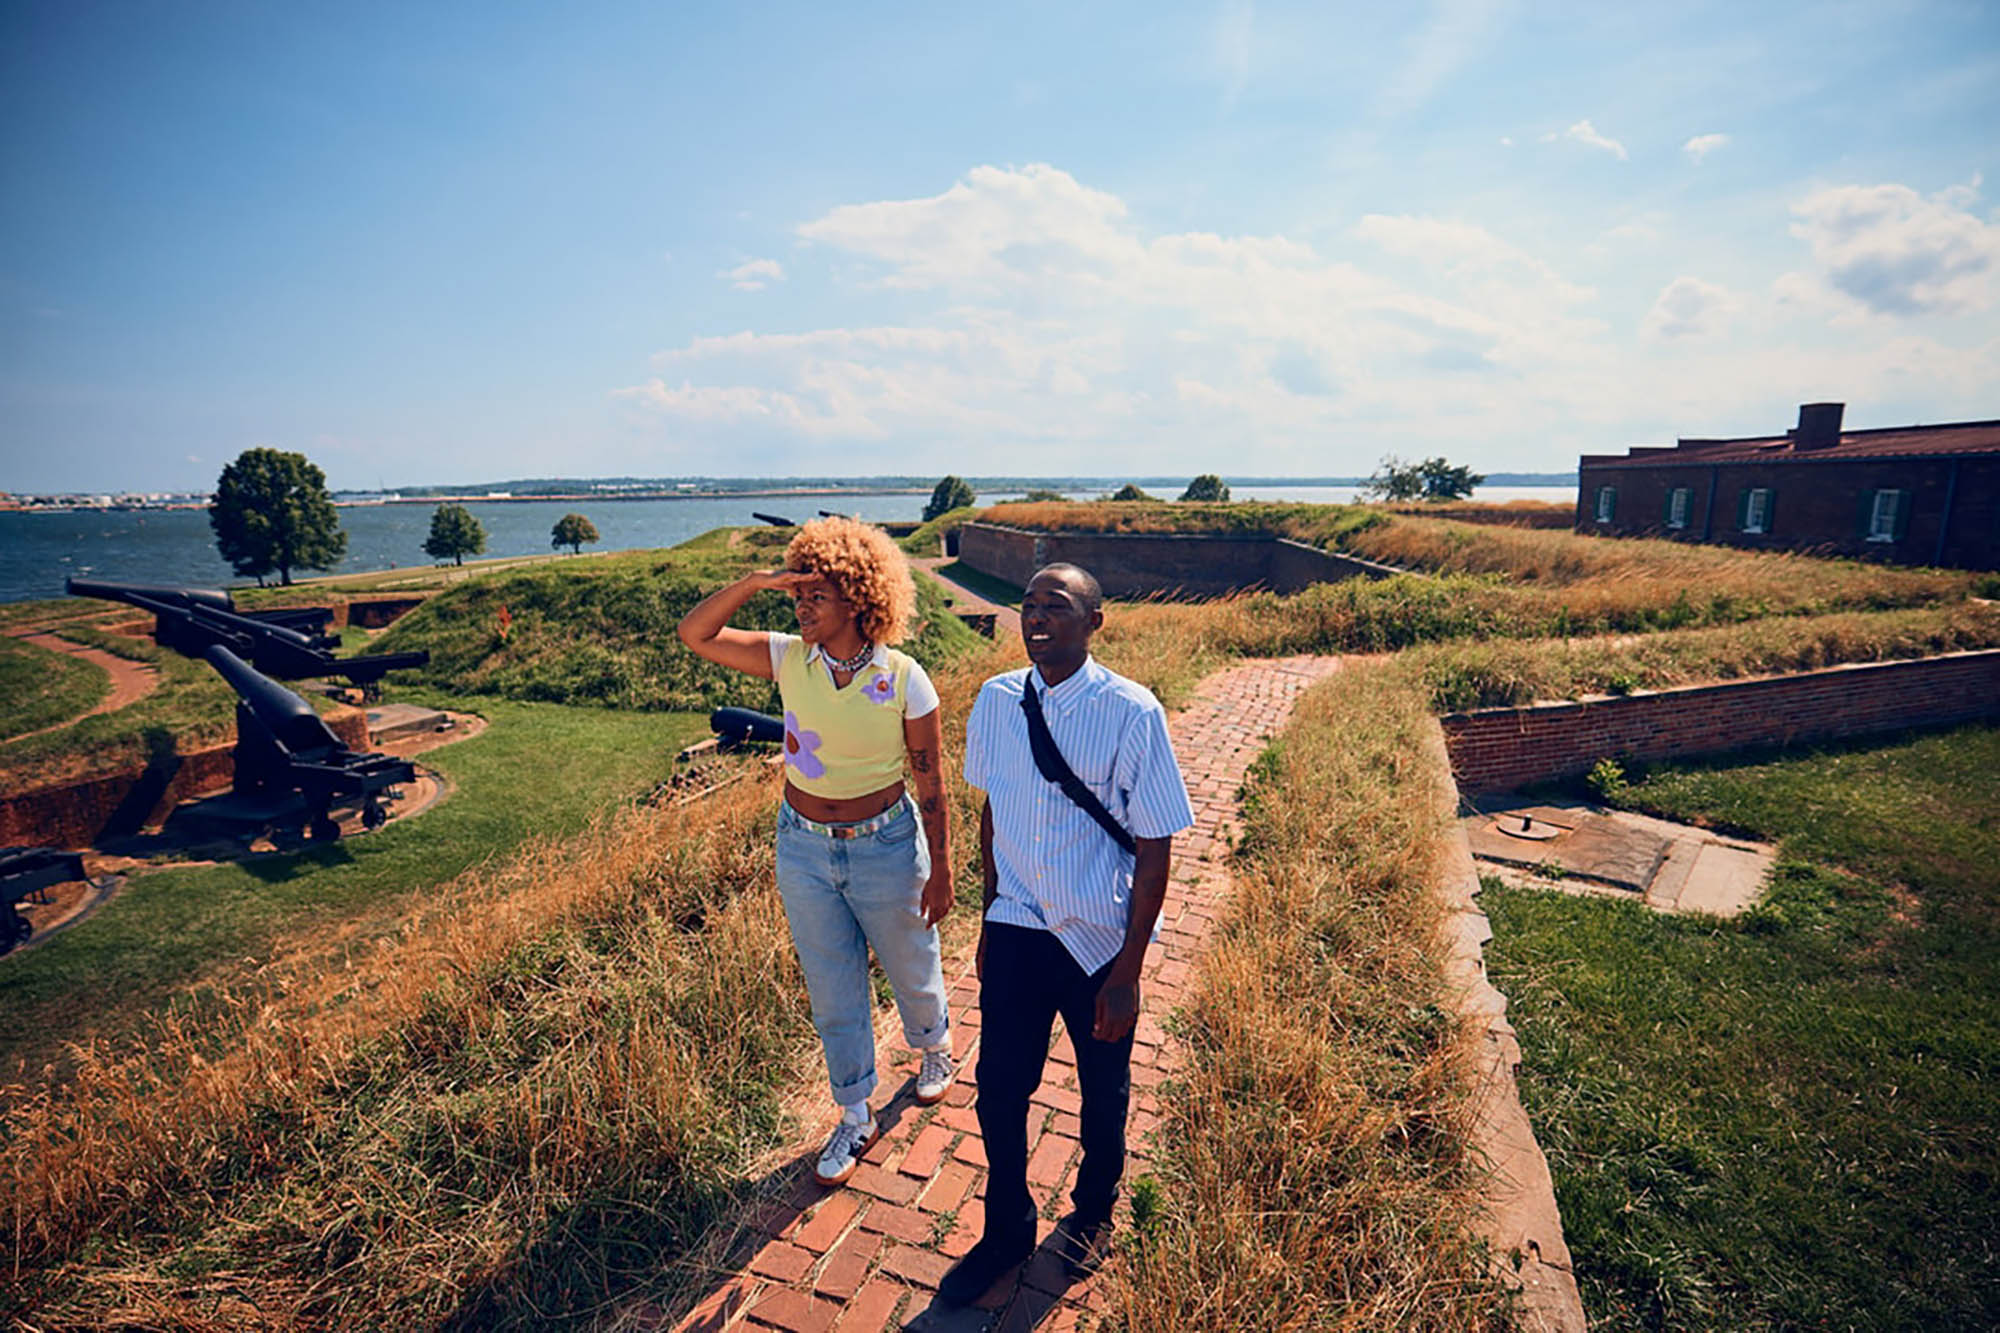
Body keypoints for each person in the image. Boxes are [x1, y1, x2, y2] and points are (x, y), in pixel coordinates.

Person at [941, 562, 1194, 1306]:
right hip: (1017, 927)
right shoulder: (995, 700)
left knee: (1101, 1092)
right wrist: (990, 915)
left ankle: (1092, 1211)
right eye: (1029, 605)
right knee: (998, 1089)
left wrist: (1129, 972)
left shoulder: (1132, 712)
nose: (1036, 617)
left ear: (1094, 622)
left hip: (1096, 940)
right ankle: (1006, 1230)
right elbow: (993, 812)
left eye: (1056, 605)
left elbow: (1155, 847)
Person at [676, 517, 956, 1187]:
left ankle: (934, 1045)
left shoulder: (903, 677)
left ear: (858, 600)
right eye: (796, 596)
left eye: (816, 596)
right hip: (803, 848)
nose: (800, 608)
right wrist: (755, 581)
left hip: (886, 844)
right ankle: (855, 1112)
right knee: (832, 984)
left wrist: (942, 867)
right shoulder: (788, 658)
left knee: (911, 960)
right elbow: (696, 634)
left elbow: (932, 782)